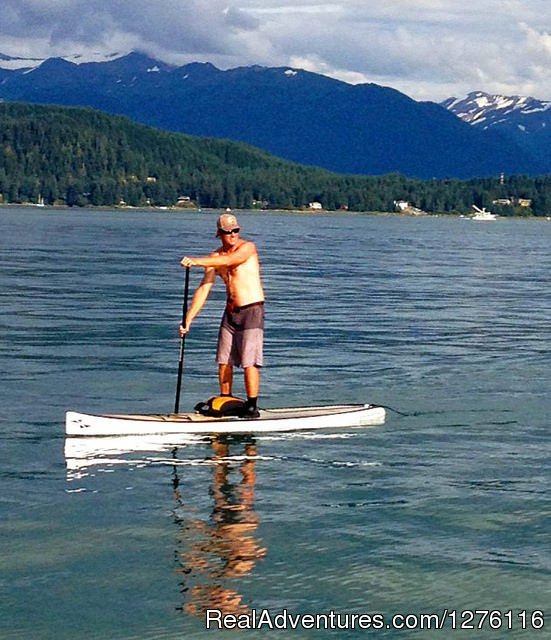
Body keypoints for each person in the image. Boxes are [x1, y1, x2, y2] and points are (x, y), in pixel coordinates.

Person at [180, 213, 265, 418]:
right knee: (224, 358)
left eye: (235, 230)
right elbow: (204, 289)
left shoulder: (248, 248)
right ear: (219, 233)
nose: (233, 235)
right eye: (228, 232)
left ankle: (252, 406)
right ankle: (226, 399)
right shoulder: (215, 257)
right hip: (230, 312)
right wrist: (188, 320)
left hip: (251, 310)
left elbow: (232, 259)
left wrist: (196, 261)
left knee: (249, 360)